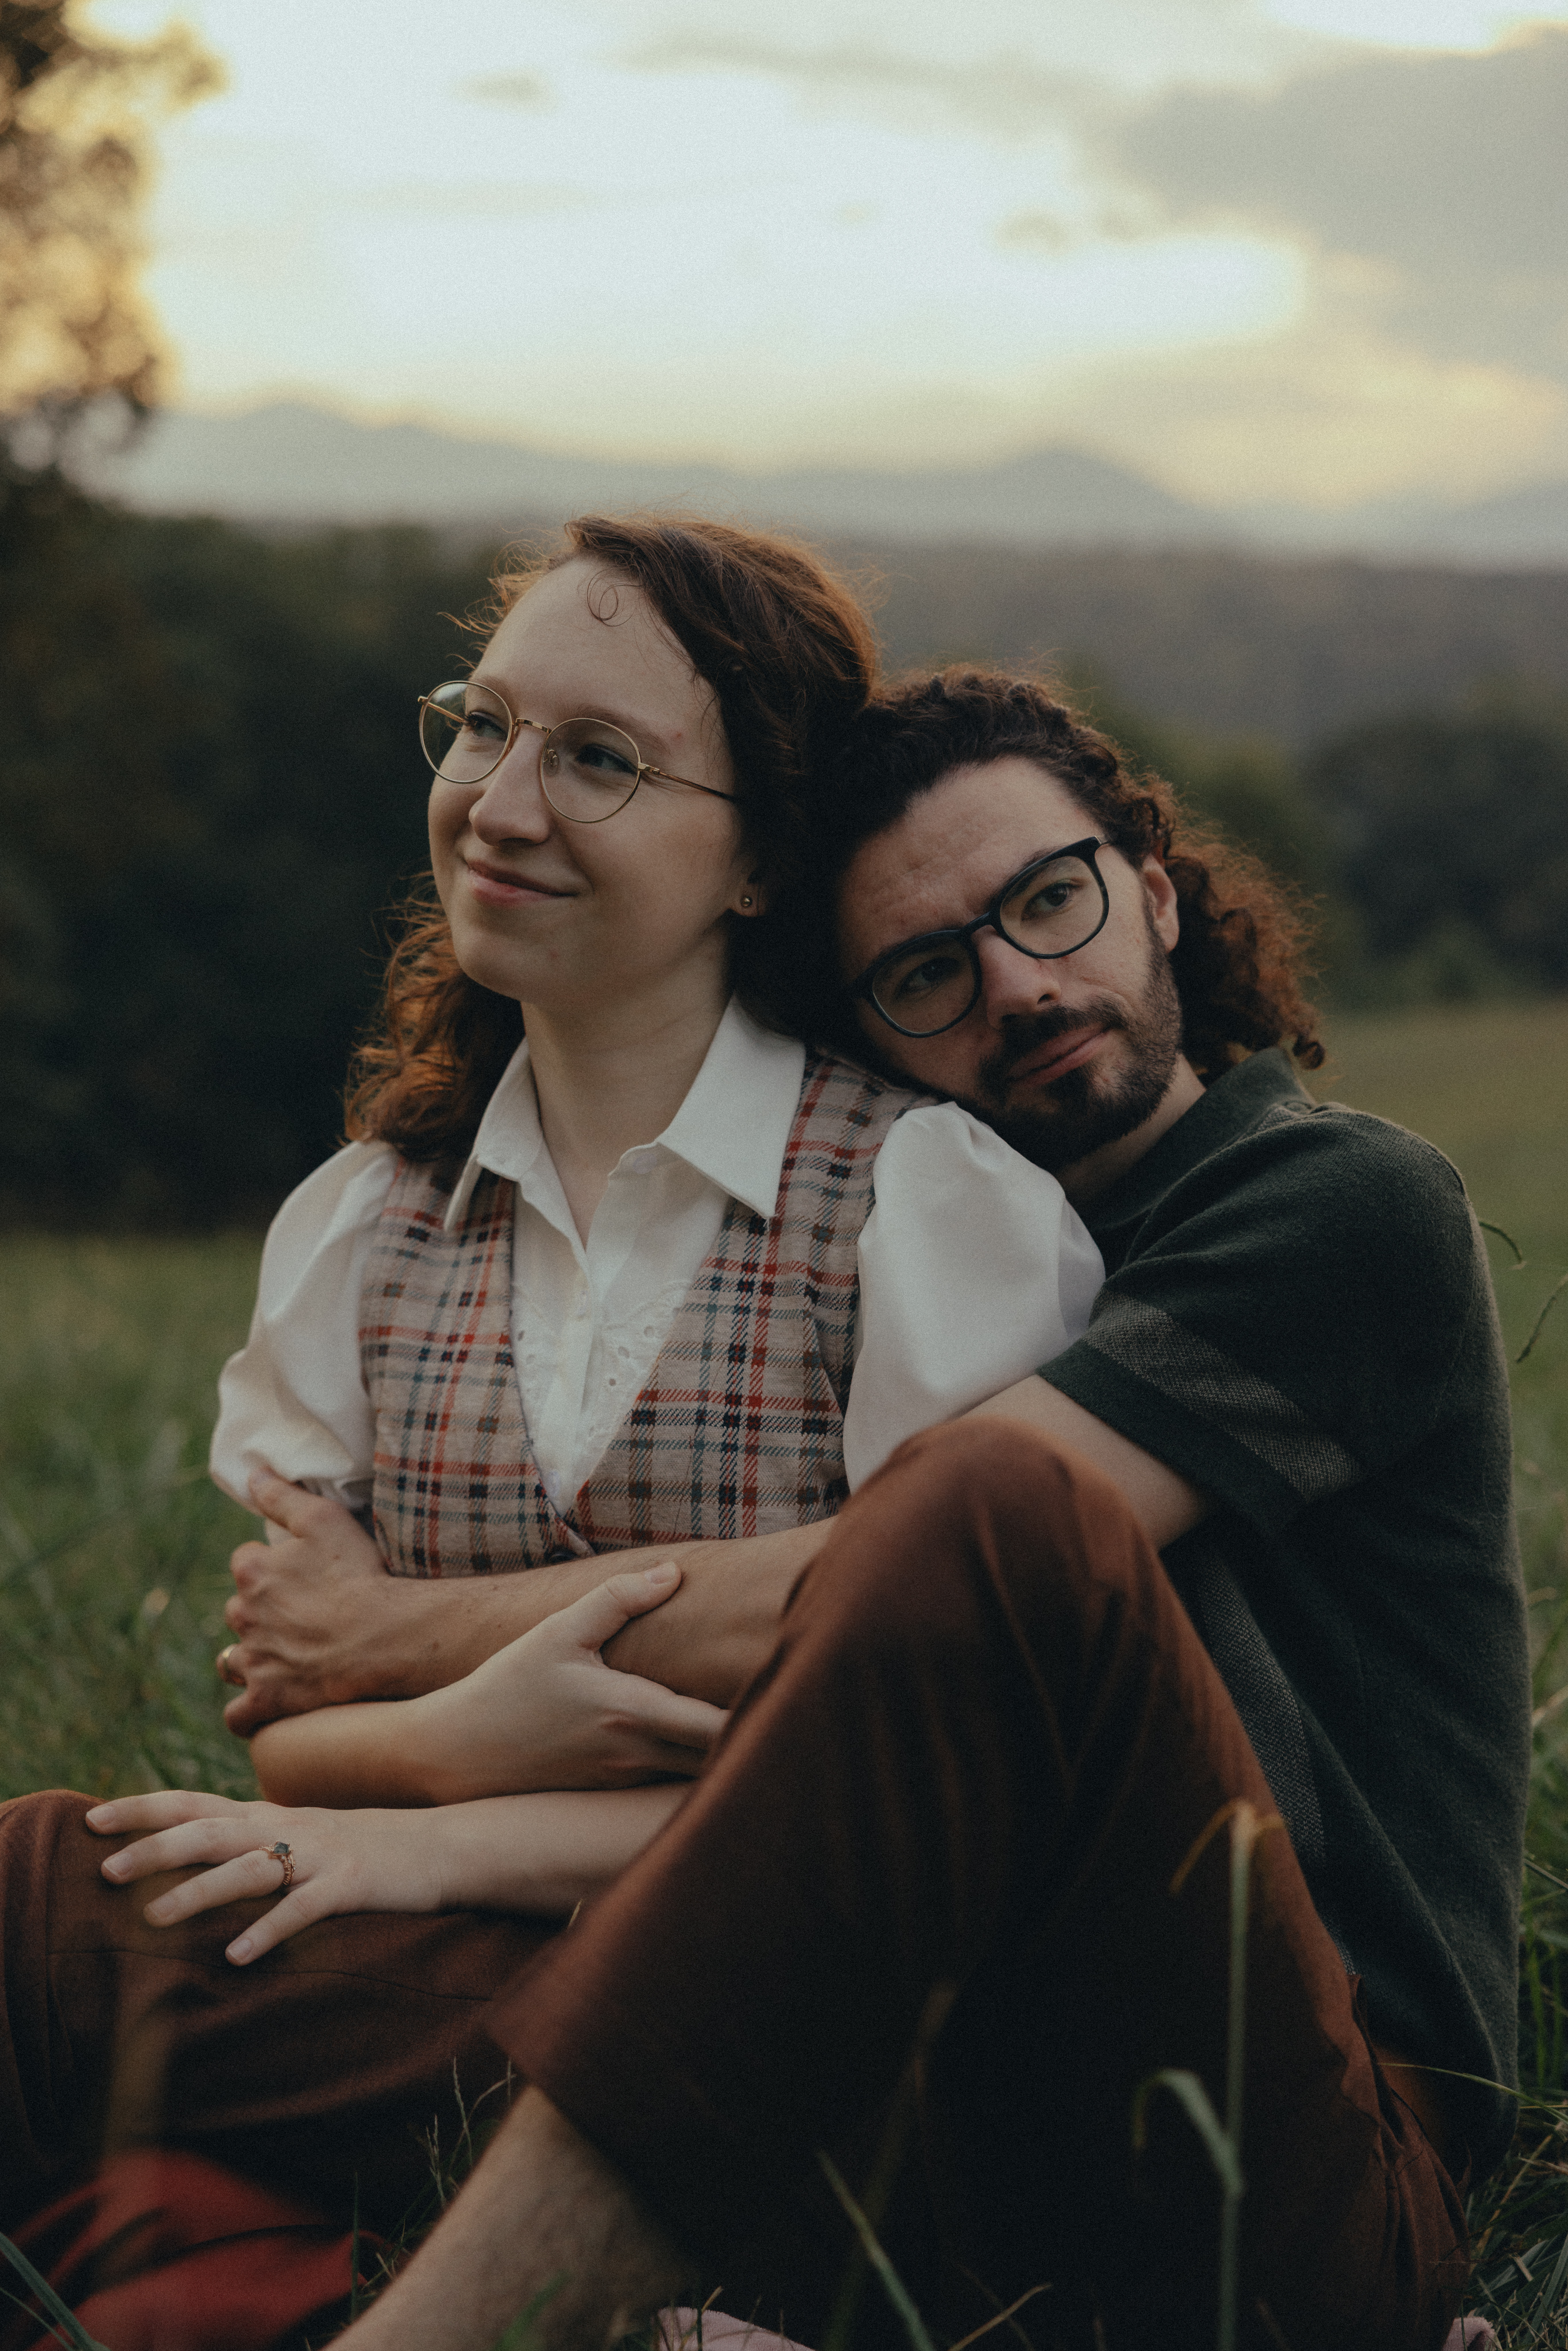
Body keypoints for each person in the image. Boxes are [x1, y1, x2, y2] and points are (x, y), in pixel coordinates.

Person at [245, 668, 1522, 2351]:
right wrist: (369, 1785)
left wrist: (382, 1643)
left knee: (982, 1513)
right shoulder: (905, 1261)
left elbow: (887, 1588)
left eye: (1048, 901)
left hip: (1295, 2152)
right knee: (54, 1904)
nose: (1017, 985)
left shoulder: (1337, 1205)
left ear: (1150, 885)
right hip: (915, 2069)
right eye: (927, 973)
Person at [0, 542, 1104, 2335]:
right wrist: (453, 1737)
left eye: (598, 758)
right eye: (483, 727)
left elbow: (968, 1801)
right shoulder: (364, 1227)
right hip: (438, 1998)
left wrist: (432, 1790)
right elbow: (289, 1725)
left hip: (810, 2049)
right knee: (38, 1894)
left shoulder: (917, 1204)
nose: (500, 805)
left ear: (757, 857)